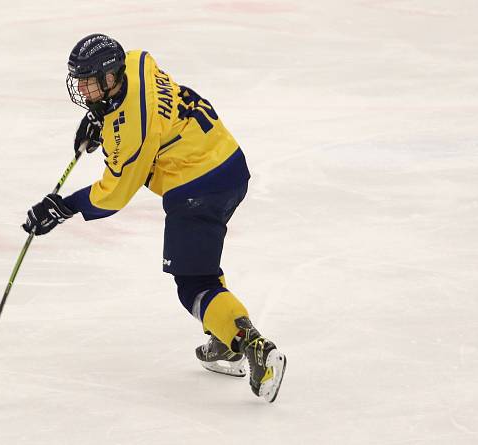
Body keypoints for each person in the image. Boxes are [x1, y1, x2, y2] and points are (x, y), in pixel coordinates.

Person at [22, 34, 286, 403]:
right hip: (227, 161)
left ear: (111, 77)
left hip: (197, 187)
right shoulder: (138, 63)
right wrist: (101, 117)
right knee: (201, 263)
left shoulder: (129, 135)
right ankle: (224, 338)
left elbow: (111, 197)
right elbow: (138, 107)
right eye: (79, 80)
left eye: (89, 81)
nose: (82, 88)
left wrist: (63, 207)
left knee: (194, 284)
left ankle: (252, 347)